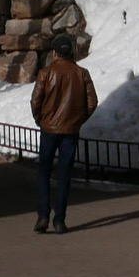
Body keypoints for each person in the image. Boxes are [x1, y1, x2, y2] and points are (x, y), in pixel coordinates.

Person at [29, 33, 98, 235]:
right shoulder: (82, 73)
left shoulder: (45, 73)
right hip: (70, 131)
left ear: (54, 53)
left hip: (48, 130)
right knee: (64, 175)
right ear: (71, 52)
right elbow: (92, 102)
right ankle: (60, 220)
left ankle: (43, 216)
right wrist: (77, 121)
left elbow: (36, 102)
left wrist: (40, 120)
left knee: (43, 172)